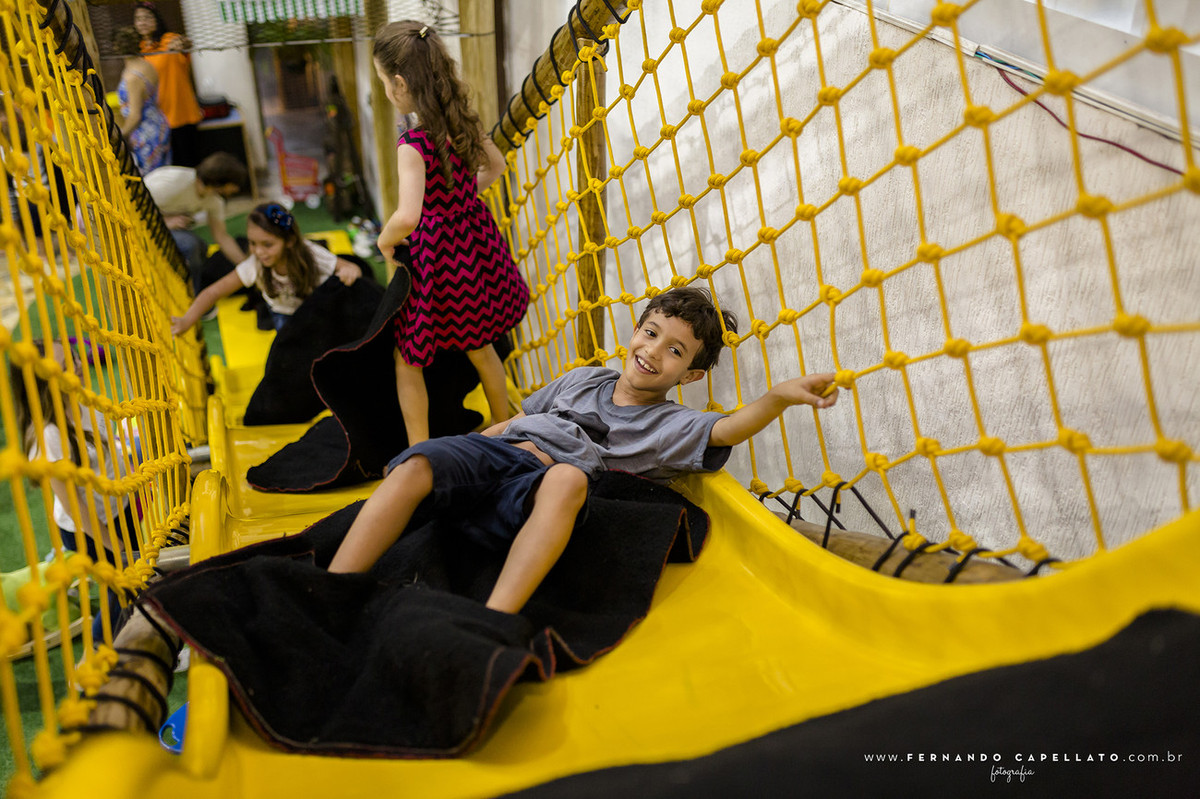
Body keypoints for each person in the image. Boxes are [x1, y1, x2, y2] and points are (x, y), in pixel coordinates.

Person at [328, 287, 840, 615]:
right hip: (500, 455)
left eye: (675, 352)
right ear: (635, 331)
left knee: (570, 480)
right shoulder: (583, 379)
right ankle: (334, 591)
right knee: (422, 460)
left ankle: (494, 618)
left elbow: (727, 429)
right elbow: (517, 420)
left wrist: (778, 398)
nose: (653, 352)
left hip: (537, 484)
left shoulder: (668, 424)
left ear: (693, 375)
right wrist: (475, 442)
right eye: (651, 333)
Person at [372, 20, 530, 446]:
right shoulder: (461, 119)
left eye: (383, 81)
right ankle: (505, 426)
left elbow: (407, 216)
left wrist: (385, 241)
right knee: (481, 346)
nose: (384, 90)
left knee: (408, 358)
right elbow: (495, 166)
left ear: (400, 84)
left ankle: (419, 449)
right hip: (472, 249)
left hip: (436, 260)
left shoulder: (412, 143)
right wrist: (459, 198)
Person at [10, 339, 140, 639]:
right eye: (66, 367)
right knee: (122, 590)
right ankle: (93, 656)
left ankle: (135, 637)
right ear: (44, 382)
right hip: (91, 530)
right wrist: (115, 546)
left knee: (137, 580)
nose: (79, 367)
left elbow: (109, 448)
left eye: (74, 359)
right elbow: (75, 508)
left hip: (119, 507)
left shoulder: (79, 398)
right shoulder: (49, 437)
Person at [171, 202, 363, 334]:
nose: (259, 252)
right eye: (253, 243)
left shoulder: (310, 253)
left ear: (289, 241)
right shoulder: (255, 265)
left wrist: (349, 271)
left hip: (315, 309)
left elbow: (350, 267)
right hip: (283, 315)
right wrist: (187, 321)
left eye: (267, 244)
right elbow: (213, 292)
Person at [144, 152, 246, 294]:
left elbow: (222, 236)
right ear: (221, 182)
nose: (236, 190)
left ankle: (191, 288)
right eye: (234, 185)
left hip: (168, 227)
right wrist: (166, 222)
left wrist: (246, 266)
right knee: (190, 246)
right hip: (143, 224)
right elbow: (133, 204)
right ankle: (193, 296)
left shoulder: (214, 200)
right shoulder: (172, 184)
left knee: (202, 248)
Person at [133, 1, 204, 167]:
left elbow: (185, 44)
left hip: (182, 116)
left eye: (147, 18)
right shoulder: (139, 50)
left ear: (156, 20)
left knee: (190, 167)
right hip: (158, 122)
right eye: (138, 19)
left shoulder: (169, 40)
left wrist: (183, 44)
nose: (142, 22)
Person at [112, 26, 171, 175]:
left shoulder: (132, 77)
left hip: (145, 133)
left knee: (153, 181)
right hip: (159, 124)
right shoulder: (147, 65)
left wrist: (119, 137)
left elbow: (135, 116)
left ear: (116, 47)